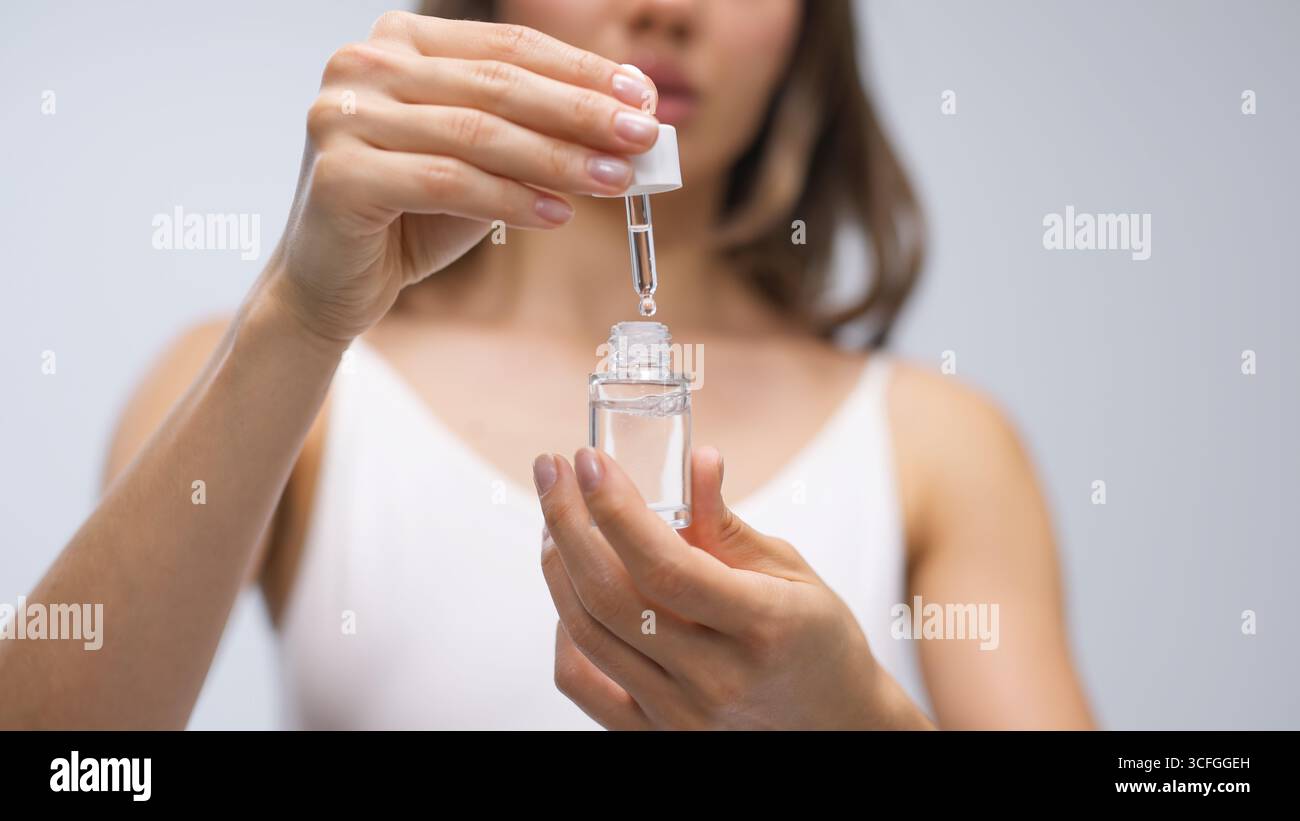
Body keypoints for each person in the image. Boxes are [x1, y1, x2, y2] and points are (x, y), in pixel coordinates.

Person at [0, 0, 1093, 729]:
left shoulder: (938, 441)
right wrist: (301, 313)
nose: (668, 7)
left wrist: (862, 723)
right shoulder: (287, 378)